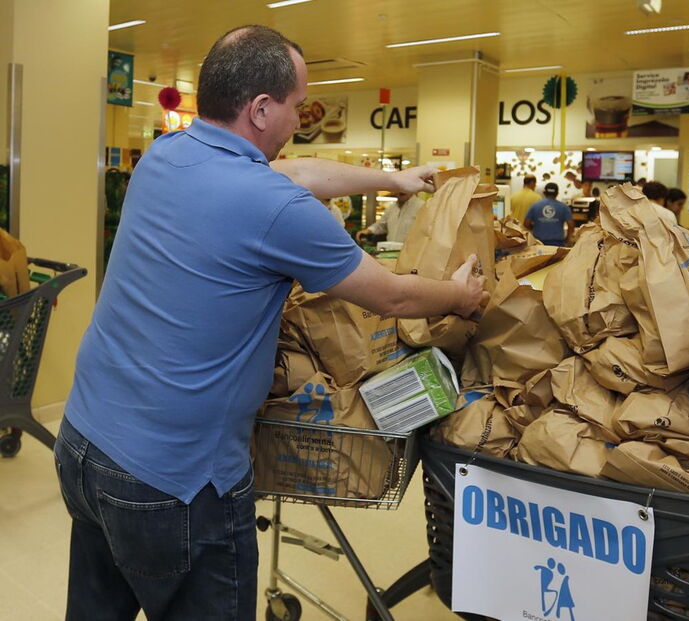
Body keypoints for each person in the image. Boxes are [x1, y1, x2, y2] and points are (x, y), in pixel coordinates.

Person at [54, 25, 488, 621]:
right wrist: (459, 296)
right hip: (178, 483)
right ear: (261, 108)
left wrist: (393, 180)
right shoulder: (275, 209)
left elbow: (301, 171)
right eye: (295, 105)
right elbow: (389, 297)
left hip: (85, 442)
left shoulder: (167, 155)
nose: (299, 120)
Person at [354, 190, 424, 243]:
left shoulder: (422, 207)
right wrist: (368, 231)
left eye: (405, 186)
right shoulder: (392, 207)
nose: (402, 190)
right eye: (398, 187)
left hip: (411, 254)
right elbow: (382, 225)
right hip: (390, 253)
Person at [524, 182, 575, 247]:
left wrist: (535, 228)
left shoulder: (535, 206)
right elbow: (571, 225)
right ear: (557, 194)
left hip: (538, 243)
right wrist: (567, 239)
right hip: (557, 244)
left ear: (544, 193)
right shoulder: (564, 207)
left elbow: (526, 223)